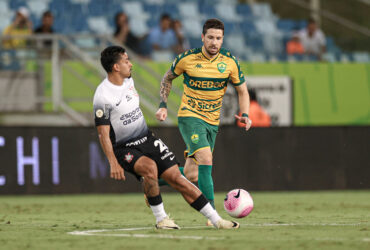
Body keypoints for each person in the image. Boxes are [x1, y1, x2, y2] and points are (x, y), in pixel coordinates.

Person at [93, 45, 239, 230]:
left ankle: (217, 220)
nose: (131, 64)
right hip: (125, 147)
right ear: (115, 67)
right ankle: (162, 219)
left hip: (146, 138)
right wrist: (113, 162)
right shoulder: (103, 95)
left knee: (178, 178)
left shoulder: (128, 79)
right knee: (149, 168)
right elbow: (103, 133)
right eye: (126, 60)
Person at [155, 19, 252, 225]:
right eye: (210, 37)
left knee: (191, 174)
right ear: (202, 38)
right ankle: (213, 216)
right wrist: (163, 104)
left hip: (212, 122)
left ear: (222, 39)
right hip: (190, 117)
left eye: (218, 38)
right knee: (206, 159)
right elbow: (167, 78)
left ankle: (153, 179)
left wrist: (245, 114)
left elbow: (242, 90)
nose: (214, 42)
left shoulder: (230, 62)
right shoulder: (187, 59)